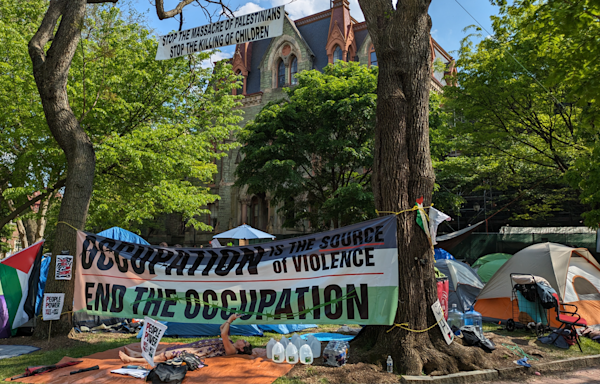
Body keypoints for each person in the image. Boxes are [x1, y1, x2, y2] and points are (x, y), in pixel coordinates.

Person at [119, 314, 262, 363]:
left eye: (244, 341)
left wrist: (230, 320)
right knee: (169, 348)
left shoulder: (232, 350)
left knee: (166, 355)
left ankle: (133, 360)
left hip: (198, 352)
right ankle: (137, 354)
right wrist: (228, 320)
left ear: (242, 348)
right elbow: (221, 329)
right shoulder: (231, 343)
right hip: (197, 346)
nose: (242, 339)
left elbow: (223, 334)